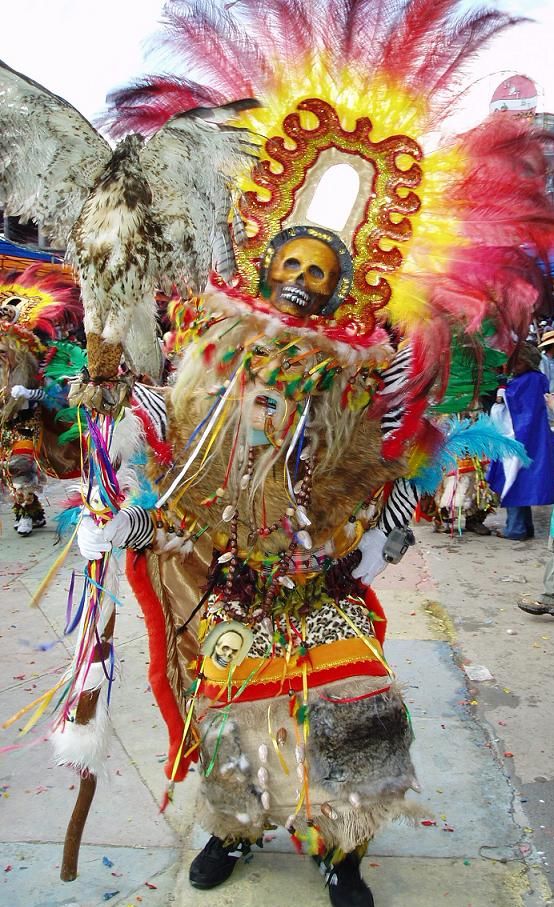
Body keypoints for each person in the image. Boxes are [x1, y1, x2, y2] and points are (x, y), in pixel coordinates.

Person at [487, 343, 554, 540]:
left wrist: (501, 394)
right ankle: (525, 527)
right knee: (521, 483)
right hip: (535, 439)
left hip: (519, 438)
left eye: (517, 362)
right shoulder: (538, 379)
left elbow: (506, 410)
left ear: (527, 362)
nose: (512, 365)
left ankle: (515, 529)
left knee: (513, 482)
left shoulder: (523, 382)